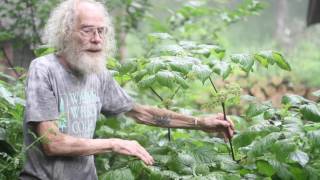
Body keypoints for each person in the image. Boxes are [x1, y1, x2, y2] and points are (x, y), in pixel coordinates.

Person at [19, 0, 235, 179]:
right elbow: (52, 143)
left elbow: (142, 113)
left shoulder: (97, 73)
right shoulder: (44, 69)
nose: (96, 39)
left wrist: (200, 123)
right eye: (87, 30)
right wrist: (114, 143)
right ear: (65, 33)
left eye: (101, 31)